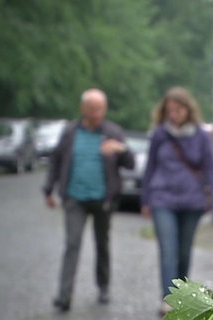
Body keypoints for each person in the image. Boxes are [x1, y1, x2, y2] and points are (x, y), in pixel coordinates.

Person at [42, 88, 135, 313]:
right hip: (75, 198)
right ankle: (64, 296)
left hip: (103, 199)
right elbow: (56, 161)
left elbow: (130, 164)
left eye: (100, 109)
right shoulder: (71, 132)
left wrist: (120, 150)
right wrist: (48, 190)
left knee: (102, 244)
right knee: (72, 245)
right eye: (92, 109)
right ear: (83, 109)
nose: (96, 114)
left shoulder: (113, 132)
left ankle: (103, 286)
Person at [140, 86, 213, 316]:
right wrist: (145, 199)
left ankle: (182, 294)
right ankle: (168, 299)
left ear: (188, 110)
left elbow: (212, 171)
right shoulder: (160, 134)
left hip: (191, 201)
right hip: (162, 198)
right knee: (168, 249)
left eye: (178, 110)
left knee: (184, 252)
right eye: (170, 110)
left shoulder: (200, 136)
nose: (173, 115)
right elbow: (149, 168)